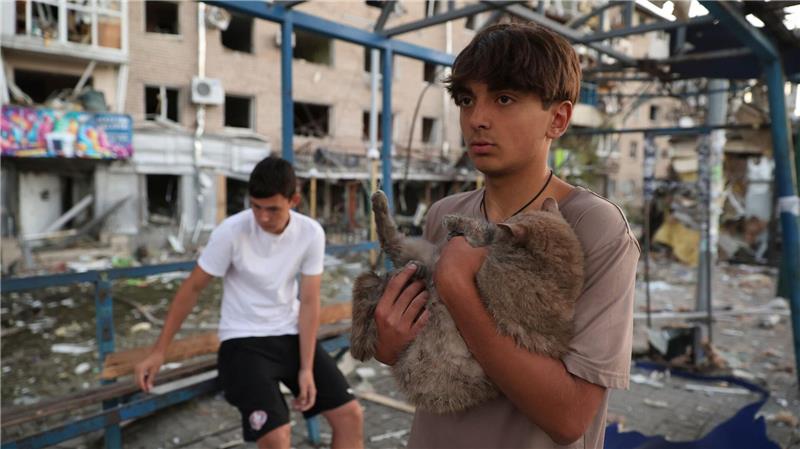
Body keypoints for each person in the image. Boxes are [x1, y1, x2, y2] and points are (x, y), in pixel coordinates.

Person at [373, 23, 640, 449]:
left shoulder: (594, 229)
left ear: (558, 118)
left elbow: (569, 418)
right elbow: (428, 355)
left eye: (504, 98)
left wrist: (459, 288)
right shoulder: (445, 214)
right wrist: (391, 345)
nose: (477, 119)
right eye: (466, 100)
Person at [134, 156, 363, 449]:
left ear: (294, 200)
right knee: (278, 436)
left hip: (291, 336)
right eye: (256, 206)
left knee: (350, 415)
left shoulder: (310, 233)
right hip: (242, 342)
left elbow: (309, 301)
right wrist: (158, 352)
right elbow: (191, 289)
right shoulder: (231, 231)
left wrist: (306, 368)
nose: (262, 217)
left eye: (272, 209)